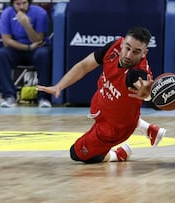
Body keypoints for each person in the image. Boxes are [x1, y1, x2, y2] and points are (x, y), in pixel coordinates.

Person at [38, 27, 166, 163]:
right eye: (127, 48)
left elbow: (144, 88)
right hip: (104, 104)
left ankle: (118, 155)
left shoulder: (137, 74)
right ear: (122, 43)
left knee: (76, 153)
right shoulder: (114, 47)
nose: (129, 55)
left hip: (115, 128)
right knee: (99, 104)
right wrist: (59, 86)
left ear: (144, 53)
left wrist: (148, 95)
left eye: (136, 52)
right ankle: (148, 129)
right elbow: (85, 65)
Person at [0, 0, 52, 108]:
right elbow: (6, 41)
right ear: (12, 4)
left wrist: (26, 25)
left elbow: (39, 40)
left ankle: (43, 97)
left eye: (24, 3)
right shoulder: (7, 13)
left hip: (37, 49)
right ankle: (9, 96)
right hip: (18, 49)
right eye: (18, 4)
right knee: (1, 54)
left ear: (29, 3)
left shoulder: (40, 13)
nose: (21, 7)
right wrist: (27, 47)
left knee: (43, 54)